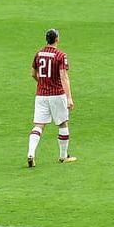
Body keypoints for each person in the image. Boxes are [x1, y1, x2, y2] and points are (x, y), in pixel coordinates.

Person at [28, 28, 75, 166]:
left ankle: (31, 153)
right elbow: (64, 77)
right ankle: (63, 156)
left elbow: (32, 73)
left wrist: (42, 83)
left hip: (41, 95)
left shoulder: (38, 54)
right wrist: (69, 97)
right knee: (62, 123)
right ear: (57, 39)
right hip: (57, 94)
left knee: (38, 125)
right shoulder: (61, 55)